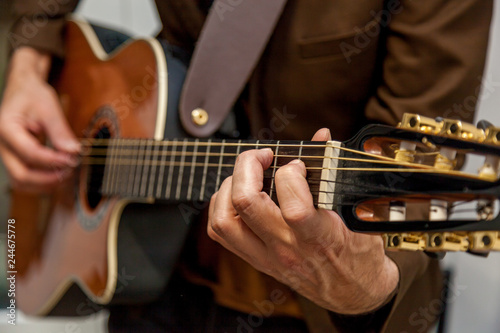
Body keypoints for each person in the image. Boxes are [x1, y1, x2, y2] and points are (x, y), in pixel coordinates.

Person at [0, 0, 492, 332]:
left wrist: (371, 288)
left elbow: (415, 162)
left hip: (301, 307)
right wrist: (28, 61)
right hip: (149, 275)